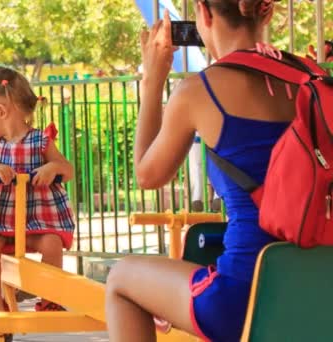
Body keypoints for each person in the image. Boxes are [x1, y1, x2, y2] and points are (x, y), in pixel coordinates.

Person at [106, 1, 294, 341]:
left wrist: (153, 79)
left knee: (121, 279)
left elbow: (148, 175)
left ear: (204, 14)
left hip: (244, 294)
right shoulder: (314, 81)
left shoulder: (200, 90)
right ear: (266, 12)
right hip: (317, 281)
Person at [0, 66, 75, 312]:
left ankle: (49, 299)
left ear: (0, 111)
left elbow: (68, 170)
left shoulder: (41, 140)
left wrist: (52, 167)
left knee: (52, 244)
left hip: (33, 219)